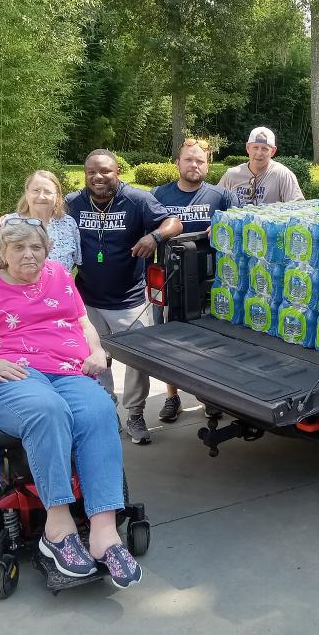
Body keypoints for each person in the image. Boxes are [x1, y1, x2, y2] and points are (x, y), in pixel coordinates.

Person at [0, 219, 142, 589]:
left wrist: (95, 350)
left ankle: (104, 533)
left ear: (47, 251)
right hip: (9, 375)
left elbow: (83, 322)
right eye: (19, 248)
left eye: (36, 248)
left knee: (99, 410)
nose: (29, 255)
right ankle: (57, 530)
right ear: (3, 255)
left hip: (66, 369)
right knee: (47, 410)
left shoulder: (59, 275)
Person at [65, 149, 182, 445]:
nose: (98, 177)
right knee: (94, 359)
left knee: (136, 363)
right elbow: (39, 214)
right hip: (87, 300)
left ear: (117, 172)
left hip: (129, 300)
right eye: (91, 172)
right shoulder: (73, 203)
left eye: (105, 171)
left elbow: (174, 223)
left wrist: (153, 236)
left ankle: (135, 413)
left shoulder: (137, 200)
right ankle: (106, 411)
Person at [152, 138, 236, 422]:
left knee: (211, 342)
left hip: (210, 281)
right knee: (169, 341)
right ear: (177, 162)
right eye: (189, 159)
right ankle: (172, 397)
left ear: (207, 165)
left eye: (200, 160)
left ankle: (209, 398)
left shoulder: (220, 197)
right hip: (170, 279)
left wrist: (225, 224)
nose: (194, 165)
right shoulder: (158, 195)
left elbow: (243, 224)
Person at [0, 170, 81, 272]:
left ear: (57, 196)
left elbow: (74, 262)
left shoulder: (69, 224)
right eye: (36, 190)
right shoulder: (10, 223)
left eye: (48, 192)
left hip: (58, 287)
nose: (41, 196)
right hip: (18, 287)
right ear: (27, 192)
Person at [217, 126, 304, 205]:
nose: (259, 153)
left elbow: (297, 206)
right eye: (255, 148)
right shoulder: (232, 175)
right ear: (247, 148)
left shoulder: (283, 175)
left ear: (273, 151)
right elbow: (215, 200)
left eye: (265, 149)